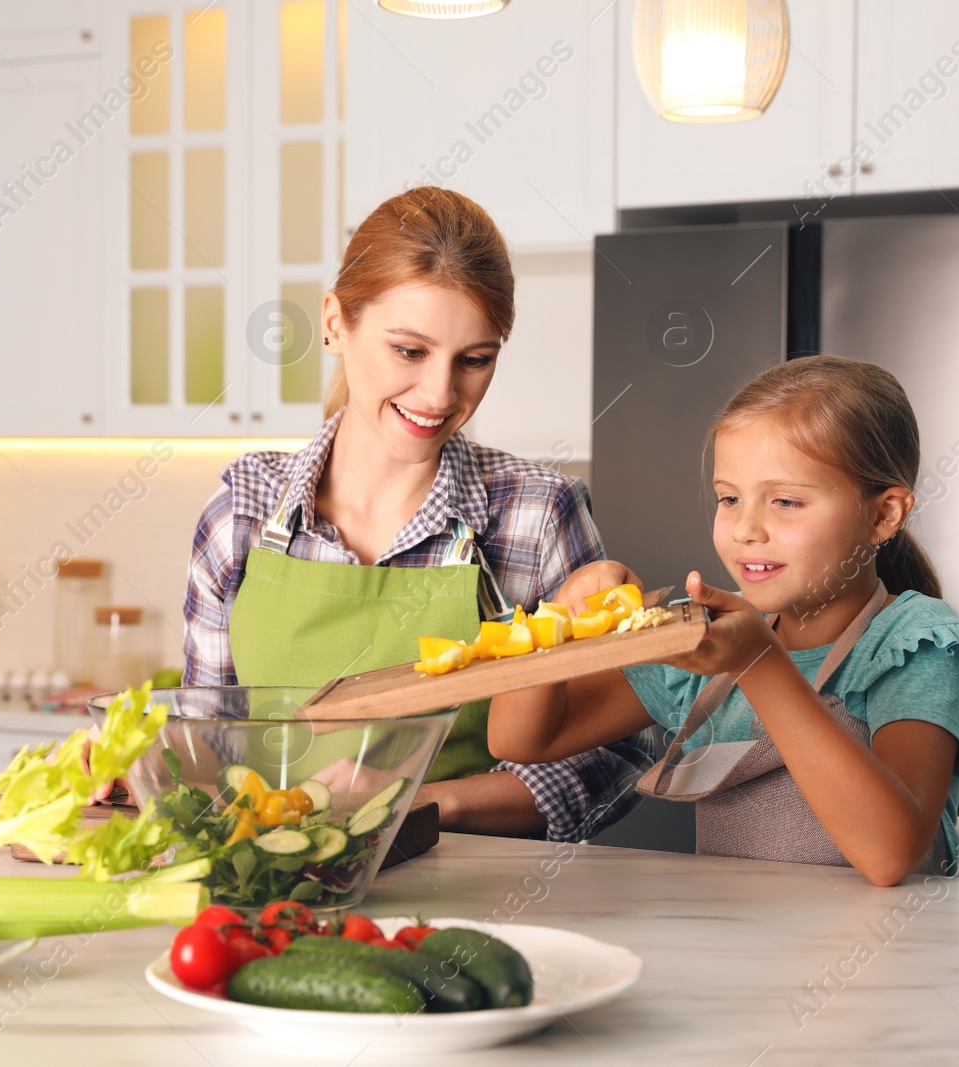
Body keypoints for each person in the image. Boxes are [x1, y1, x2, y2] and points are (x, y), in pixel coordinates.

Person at [181, 186, 649, 839]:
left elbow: (612, 761)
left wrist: (423, 802)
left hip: (471, 897)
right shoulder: (244, 509)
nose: (439, 393)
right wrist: (138, 768)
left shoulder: (536, 513)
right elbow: (208, 741)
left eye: (475, 360)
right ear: (335, 321)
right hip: (271, 885)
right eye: (409, 350)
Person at [488, 356, 959, 884]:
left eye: (785, 501)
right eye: (729, 498)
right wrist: (555, 621)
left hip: (889, 957)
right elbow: (522, 741)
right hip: (740, 953)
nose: (746, 529)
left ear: (883, 515)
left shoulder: (917, 645)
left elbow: (890, 855)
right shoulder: (706, 635)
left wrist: (759, 663)